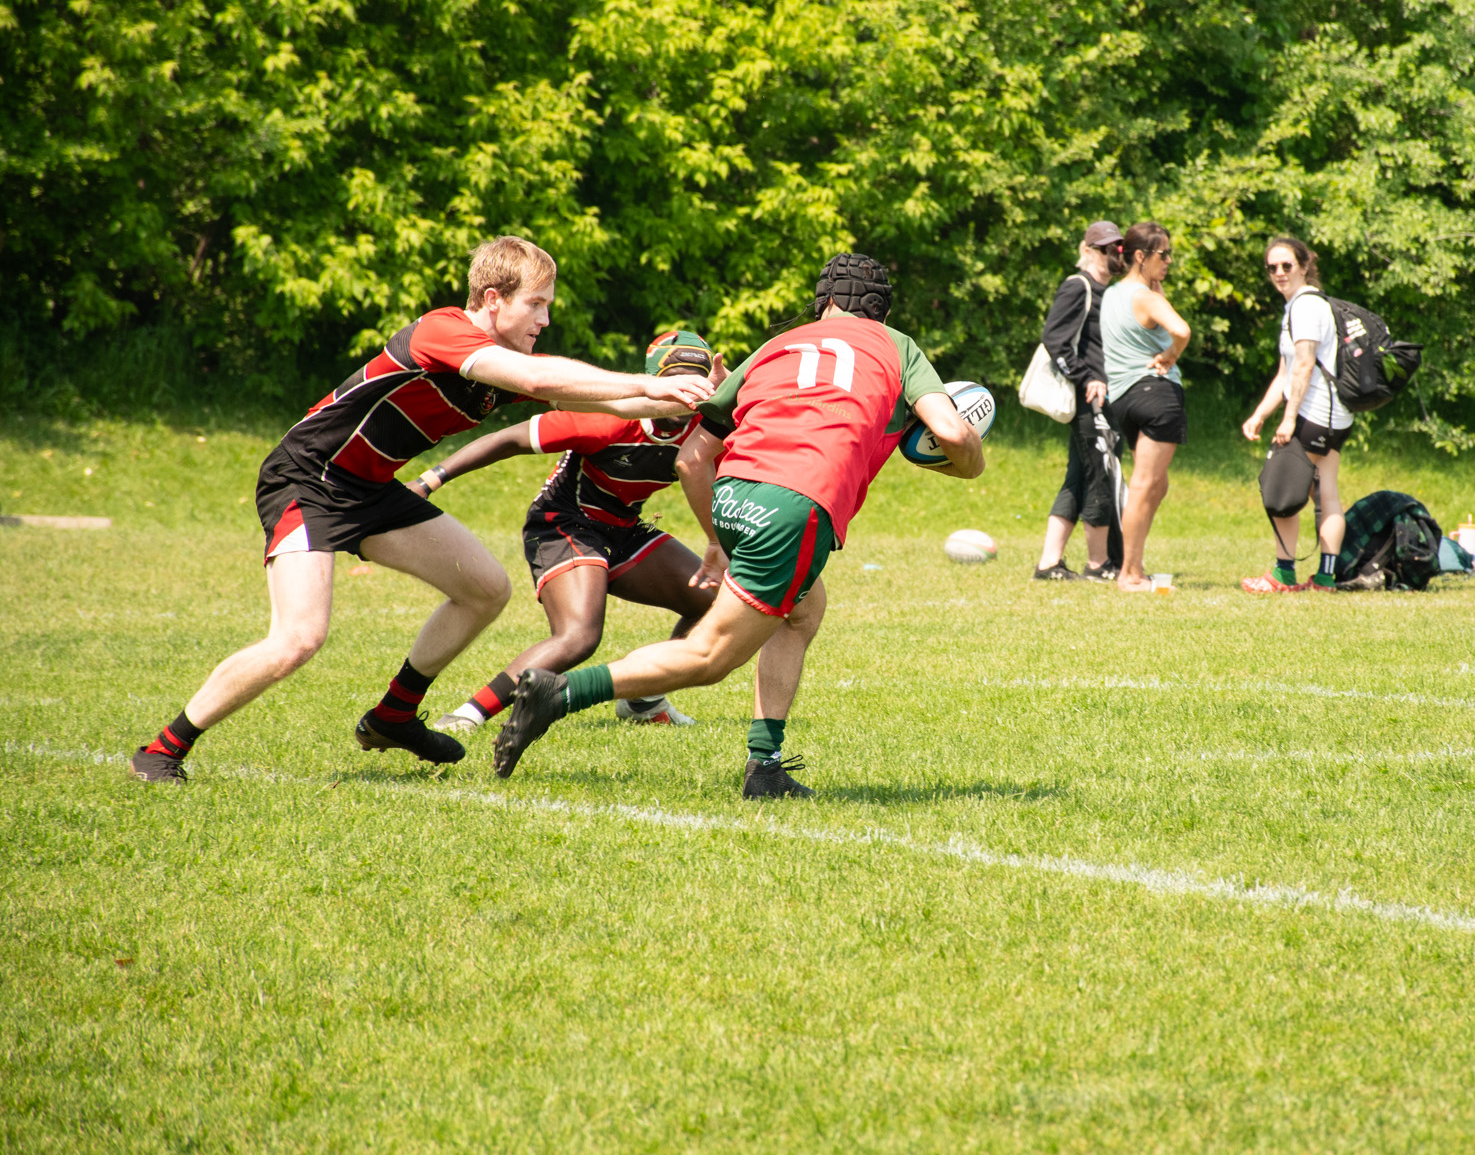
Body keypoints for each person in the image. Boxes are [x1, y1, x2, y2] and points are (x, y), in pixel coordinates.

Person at [126, 236, 714, 784]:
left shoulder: (499, 361)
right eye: (536, 304)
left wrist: (687, 398)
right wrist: (650, 383)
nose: (546, 319)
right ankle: (163, 749)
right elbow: (537, 375)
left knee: (484, 588)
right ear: (493, 299)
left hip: (370, 487)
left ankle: (394, 715)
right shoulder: (445, 332)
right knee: (299, 639)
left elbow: (584, 393)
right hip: (308, 480)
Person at [490, 253, 986, 797]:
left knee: (803, 609)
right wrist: (970, 462)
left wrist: (715, 539)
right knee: (709, 656)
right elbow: (954, 434)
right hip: (795, 504)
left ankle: (765, 767)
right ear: (880, 312)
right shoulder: (896, 345)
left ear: (824, 305)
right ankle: (559, 693)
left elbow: (692, 459)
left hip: (734, 495)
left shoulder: (775, 346)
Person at [414, 330, 726, 735]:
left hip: (624, 530)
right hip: (564, 524)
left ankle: (644, 700)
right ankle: (468, 714)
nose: (686, 390)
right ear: (655, 378)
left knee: (718, 599)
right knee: (578, 636)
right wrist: (427, 483)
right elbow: (506, 440)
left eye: (697, 379)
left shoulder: (709, 428)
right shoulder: (608, 417)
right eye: (676, 378)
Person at [1240, 236, 1354, 592]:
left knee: (1280, 491)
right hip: (1336, 417)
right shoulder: (1302, 306)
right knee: (1327, 494)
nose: (1278, 272)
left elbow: (1303, 367)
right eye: (1272, 267)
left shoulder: (1305, 307)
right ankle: (1325, 578)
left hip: (1313, 414)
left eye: (1286, 265)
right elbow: (1284, 374)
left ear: (1304, 266)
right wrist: (1259, 414)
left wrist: (1288, 419)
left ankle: (1283, 574)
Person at [1101, 221, 1191, 592]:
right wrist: (1171, 355)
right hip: (1157, 395)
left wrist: (1156, 284)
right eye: (1162, 254)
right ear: (1140, 256)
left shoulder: (1112, 294)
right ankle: (1129, 573)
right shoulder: (1148, 298)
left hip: (1123, 401)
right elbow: (1182, 330)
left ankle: (1134, 567)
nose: (1168, 261)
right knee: (1144, 486)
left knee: (1156, 485)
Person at [1032, 219, 1124, 582]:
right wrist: (1087, 378)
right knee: (1100, 474)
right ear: (1087, 250)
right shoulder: (1079, 286)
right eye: (1103, 249)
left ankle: (1048, 563)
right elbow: (1054, 338)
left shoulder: (1111, 292)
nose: (1112, 255)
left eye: (1116, 248)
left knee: (1079, 476)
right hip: (1090, 398)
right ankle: (1099, 565)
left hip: (1103, 398)